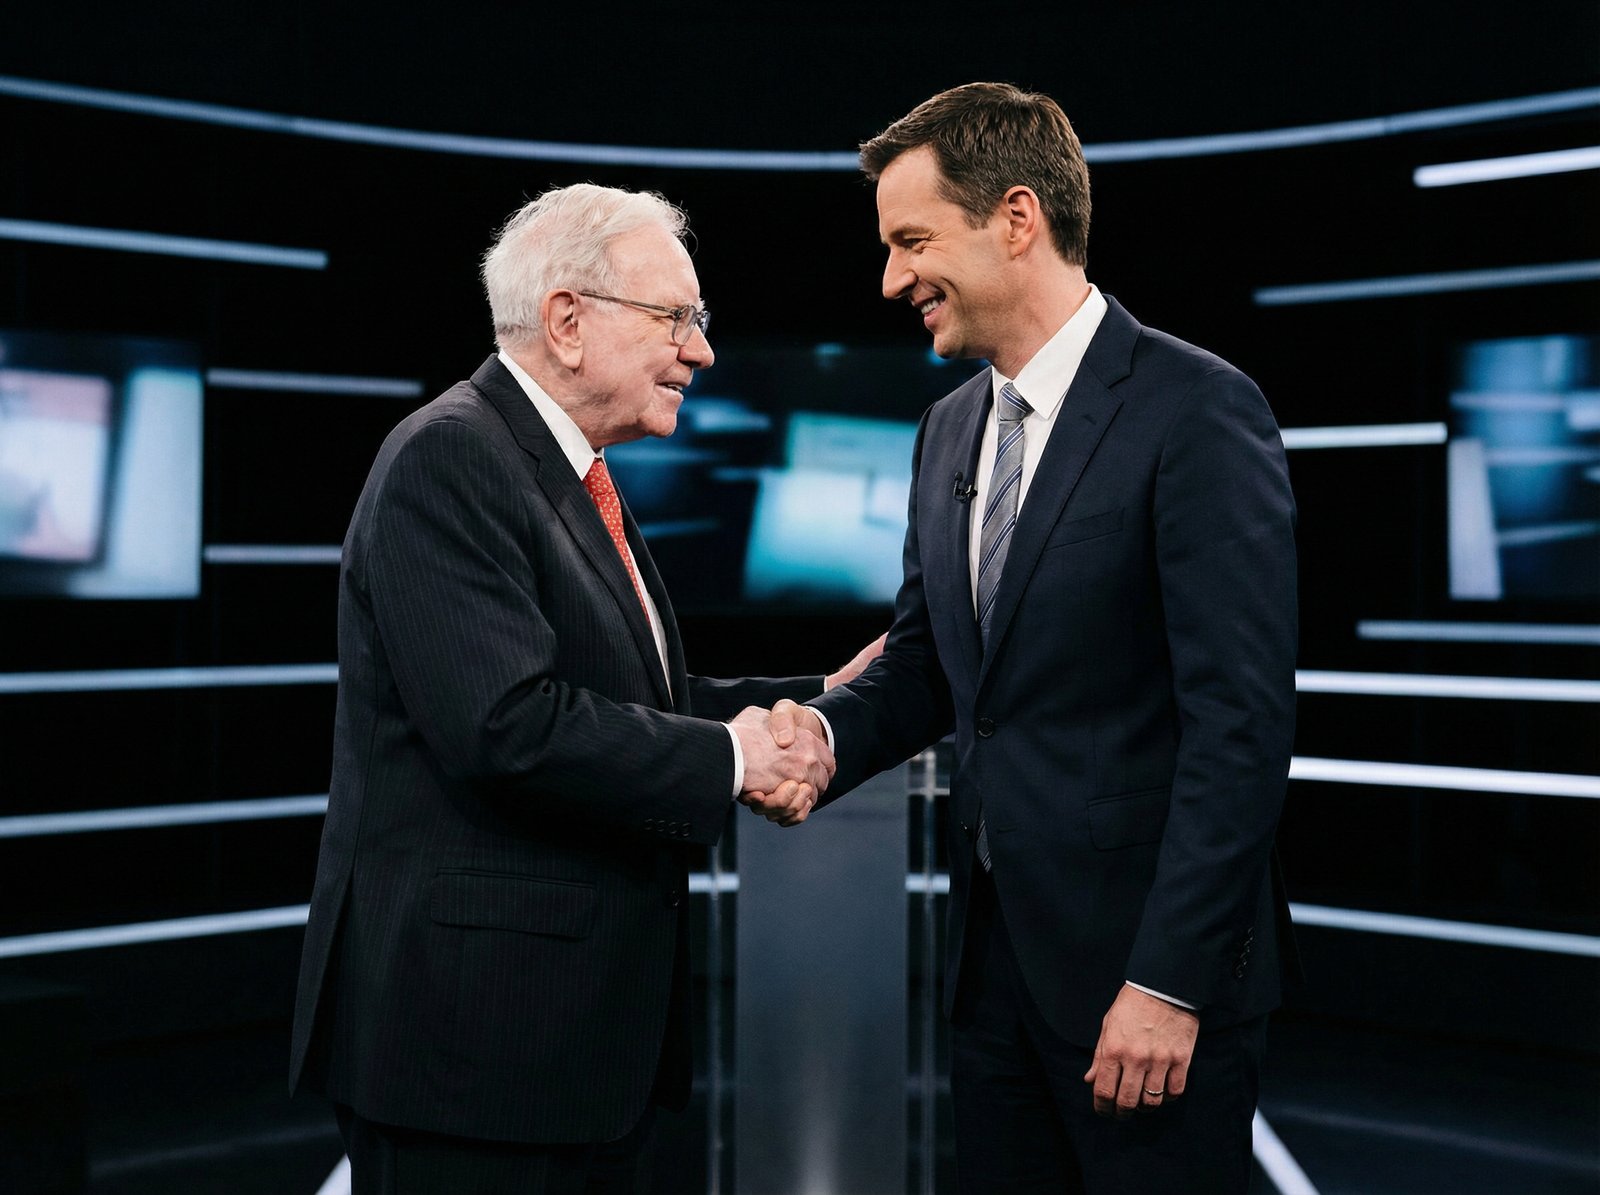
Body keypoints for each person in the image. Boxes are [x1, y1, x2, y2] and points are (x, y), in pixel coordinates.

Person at [759, 83, 1298, 1192]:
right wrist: (821, 737)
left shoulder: (1197, 409)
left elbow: (1238, 729)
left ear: (1016, 218)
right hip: (996, 979)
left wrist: (1169, 982)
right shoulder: (947, 427)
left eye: (912, 241)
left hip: (1145, 987)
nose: (892, 279)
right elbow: (930, 661)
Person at [289, 183, 873, 1192]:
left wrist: (820, 694)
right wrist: (737, 757)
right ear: (567, 320)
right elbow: (506, 724)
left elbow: (634, 693)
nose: (702, 351)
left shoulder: (562, 469)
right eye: (676, 317)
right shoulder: (452, 456)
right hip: (475, 1054)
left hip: (565, 1049)